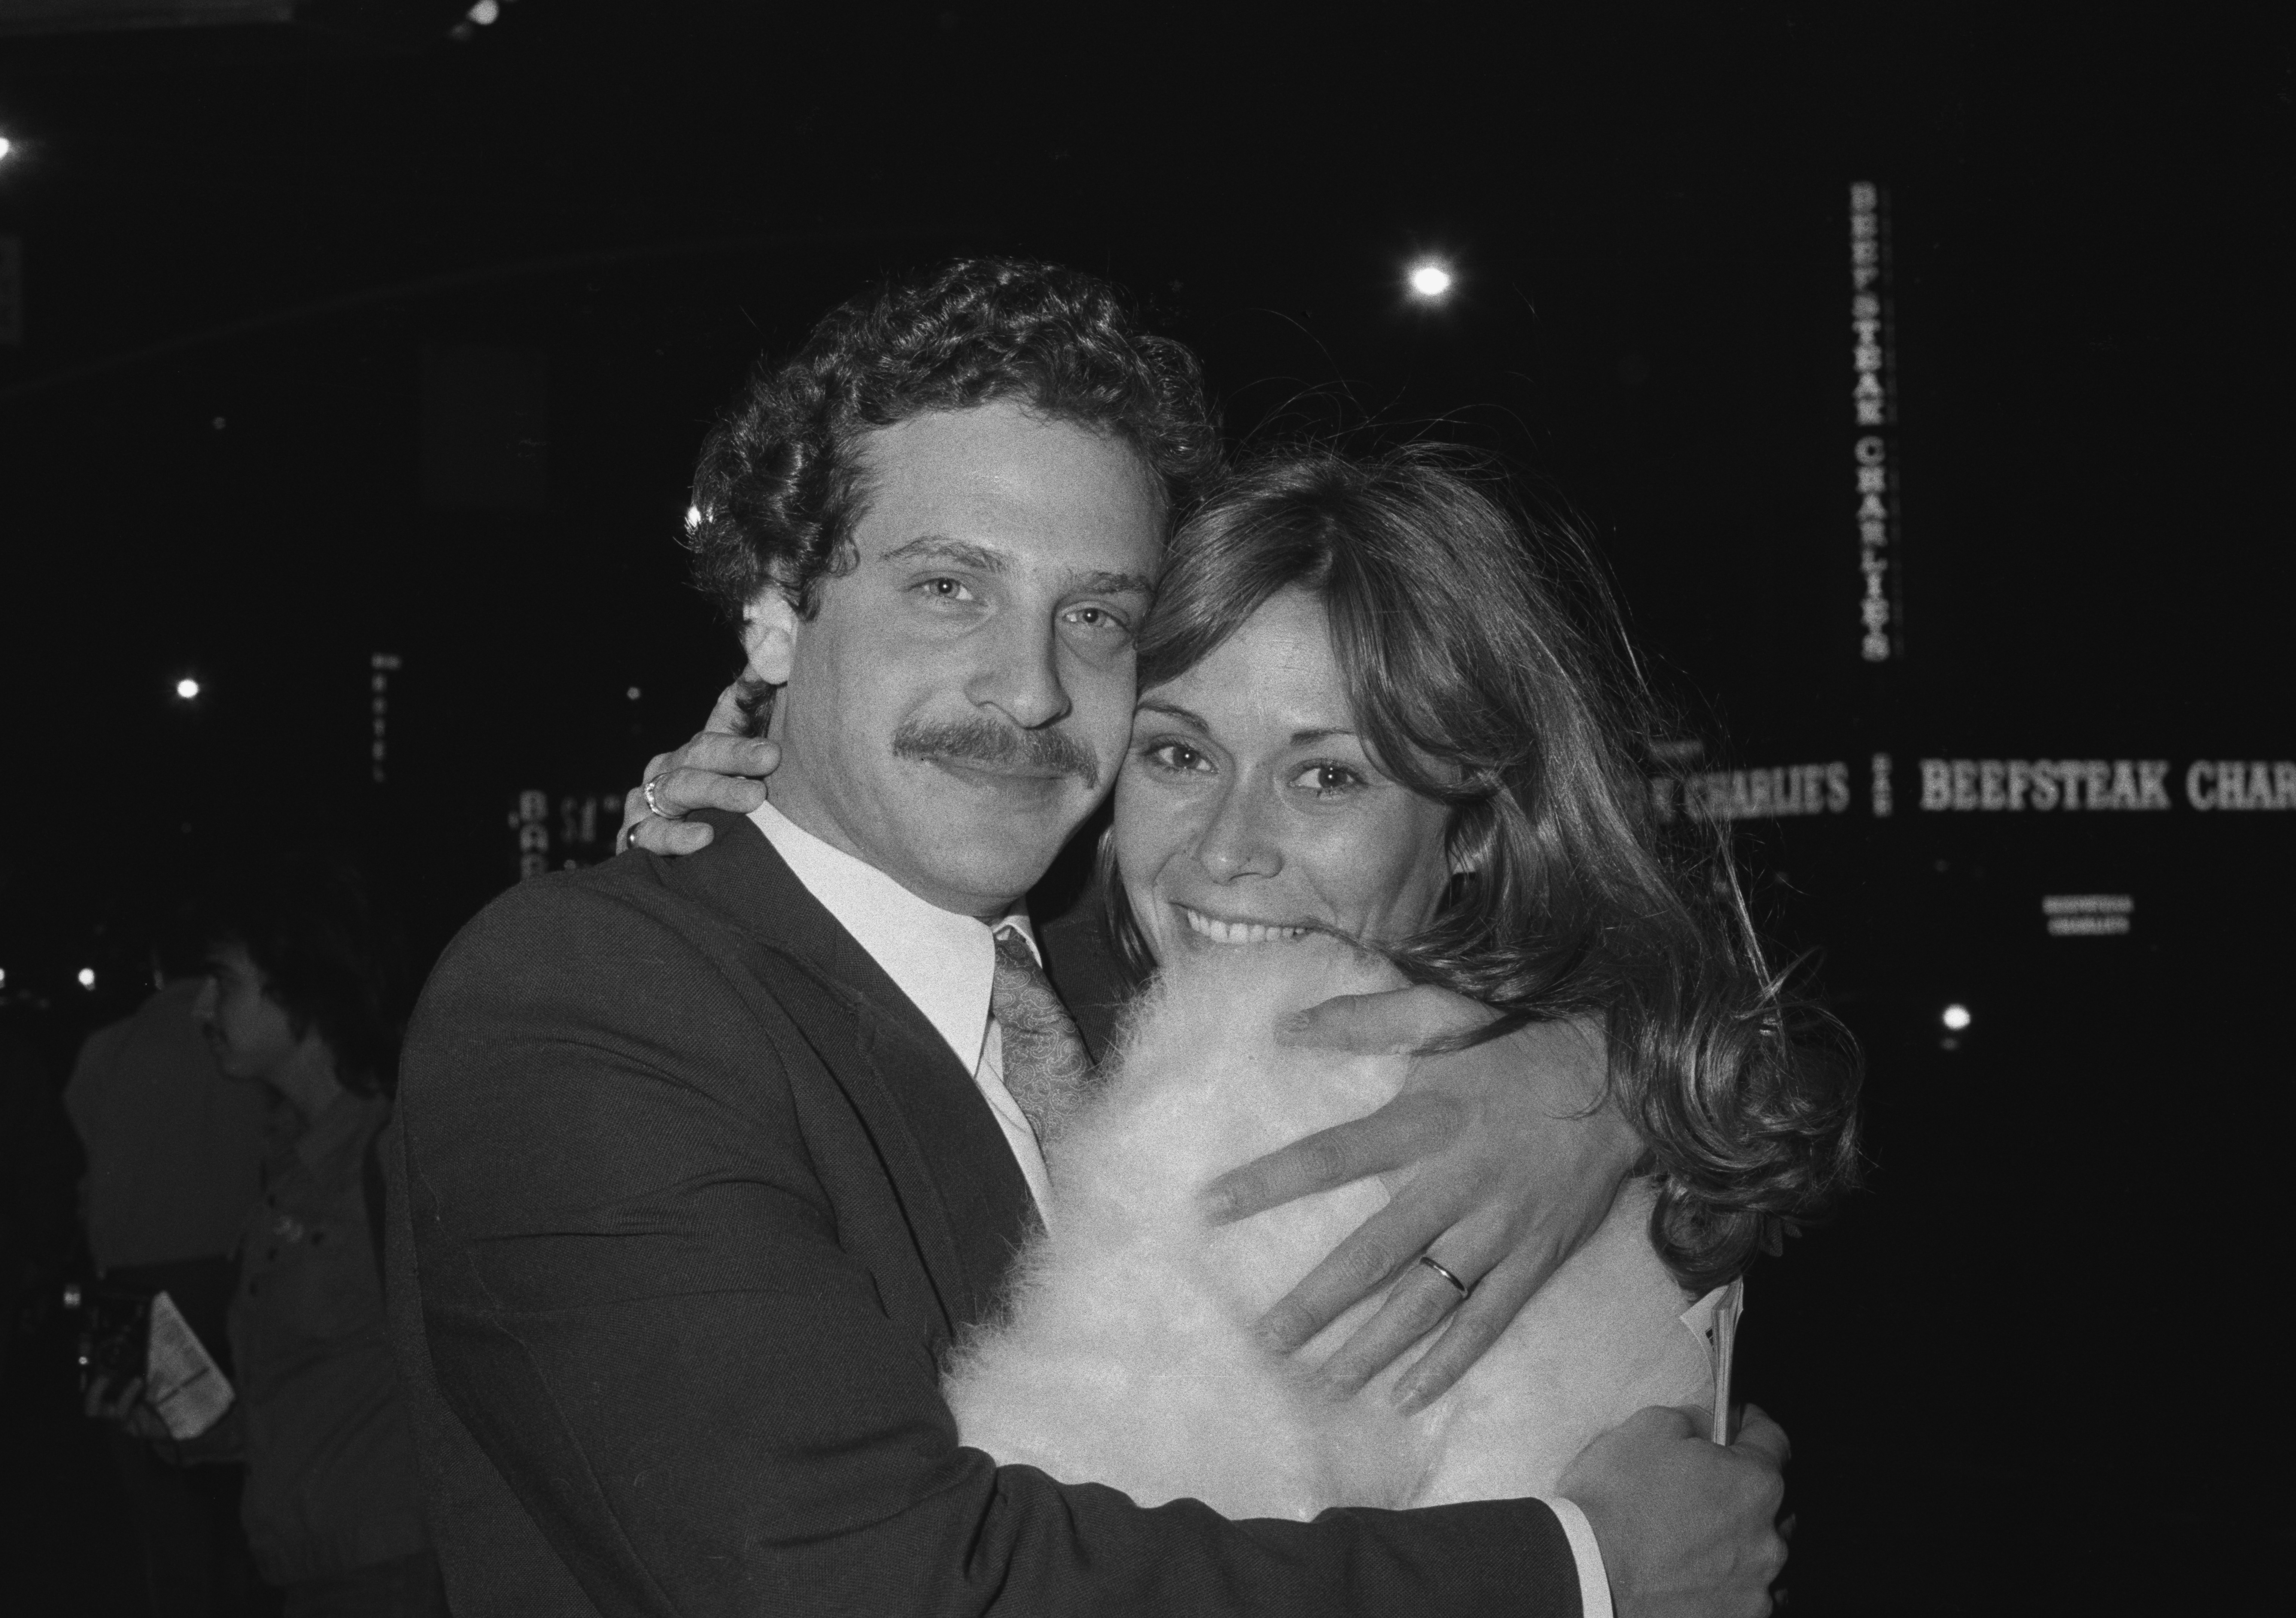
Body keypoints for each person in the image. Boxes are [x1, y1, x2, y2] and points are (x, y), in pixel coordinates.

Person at [388, 258, 1788, 1615]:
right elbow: (865, 1583)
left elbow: (1733, 1030)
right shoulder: (585, 999)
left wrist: (1595, 1079)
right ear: (779, 612)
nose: (1029, 687)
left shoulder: (1131, 976)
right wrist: (1584, 1572)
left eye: (1098, 615)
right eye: (950, 586)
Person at [934, 446, 1859, 1539]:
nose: (1229, 851)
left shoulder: (1548, 1105)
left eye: (1329, 776)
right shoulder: (1039, 973)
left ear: (1473, 822)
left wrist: (1617, 1077)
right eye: (1179, 755)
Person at [190, 853, 440, 1615]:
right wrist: (191, 1422)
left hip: (396, 1572)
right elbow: (301, 1391)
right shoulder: (286, 1163)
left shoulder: (393, 1159)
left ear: (301, 991)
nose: (201, 1008)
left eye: (224, 981)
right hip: (304, 1566)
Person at [65, 939, 273, 1618]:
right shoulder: (247, 1042)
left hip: (131, 1282)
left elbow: (83, 1141)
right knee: (248, 1476)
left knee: (161, 1497)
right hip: (231, 1272)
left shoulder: (111, 1046)